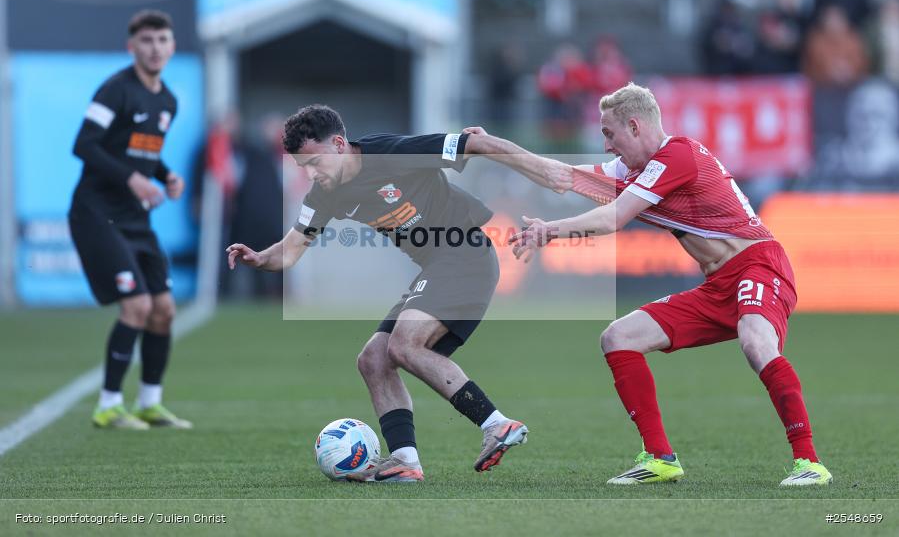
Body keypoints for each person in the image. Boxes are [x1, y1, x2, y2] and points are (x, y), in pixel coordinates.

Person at [508, 83, 832, 487]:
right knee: (619, 337)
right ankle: (660, 458)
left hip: (759, 265)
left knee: (755, 341)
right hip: (718, 285)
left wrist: (550, 230)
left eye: (610, 134)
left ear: (635, 125)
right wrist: (494, 148)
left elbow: (613, 219)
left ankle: (809, 462)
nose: (606, 145)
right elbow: (560, 176)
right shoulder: (634, 170)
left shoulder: (678, 154)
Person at [226, 104, 571, 482]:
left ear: (339, 144)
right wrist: (259, 259)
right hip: (438, 267)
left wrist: (542, 168)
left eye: (314, 162)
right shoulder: (325, 193)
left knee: (404, 345)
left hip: (465, 253)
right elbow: (291, 250)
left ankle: (496, 424)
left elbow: (476, 143)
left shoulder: (391, 152)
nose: (310, 174)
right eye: (302, 167)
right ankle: (405, 460)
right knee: (373, 359)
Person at [68, 10, 191, 430]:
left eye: (162, 40)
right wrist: (135, 179)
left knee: (164, 309)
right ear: (132, 47)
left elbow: (143, 151)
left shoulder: (167, 101)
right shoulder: (114, 91)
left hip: (135, 219)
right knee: (137, 305)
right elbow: (84, 145)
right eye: (146, 41)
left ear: (172, 46)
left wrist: (165, 175)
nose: (155, 48)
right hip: (96, 213)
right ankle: (108, 405)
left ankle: (150, 403)